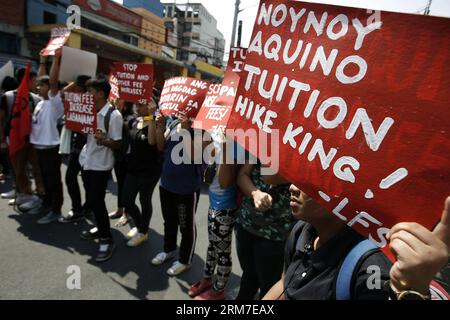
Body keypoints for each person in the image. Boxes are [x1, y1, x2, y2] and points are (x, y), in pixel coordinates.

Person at [263, 186, 450, 300]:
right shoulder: (302, 230)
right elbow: (284, 283)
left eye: (311, 183)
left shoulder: (371, 268)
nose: (293, 187)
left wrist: (411, 288)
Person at [189, 132, 238, 300]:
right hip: (214, 201)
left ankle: (218, 290)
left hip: (225, 206)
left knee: (223, 251)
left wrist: (225, 149)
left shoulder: (238, 141)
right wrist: (206, 138)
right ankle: (207, 279)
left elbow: (225, 182)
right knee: (213, 245)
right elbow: (203, 158)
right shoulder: (216, 132)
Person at [235, 161, 295, 300]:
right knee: (249, 275)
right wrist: (255, 193)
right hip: (246, 224)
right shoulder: (261, 145)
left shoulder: (297, 153)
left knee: (268, 285)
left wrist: (268, 145)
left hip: (274, 235)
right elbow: (242, 175)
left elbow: (270, 176)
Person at [79, 76, 123, 262]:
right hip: (87, 161)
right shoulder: (88, 111)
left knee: (97, 200)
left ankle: (107, 239)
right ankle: (100, 227)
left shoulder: (113, 116)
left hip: (101, 165)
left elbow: (118, 143)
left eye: (90, 91)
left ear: (101, 94)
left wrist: (103, 140)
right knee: (91, 199)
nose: (87, 95)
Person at [151, 111, 201, 276]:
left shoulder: (202, 127)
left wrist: (186, 130)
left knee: (186, 226)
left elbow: (195, 156)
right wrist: (159, 125)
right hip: (166, 183)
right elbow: (160, 146)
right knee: (169, 220)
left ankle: (185, 260)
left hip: (186, 187)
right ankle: (169, 249)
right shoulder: (173, 123)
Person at [29, 52, 65, 224]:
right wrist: (42, 61)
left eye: (42, 86)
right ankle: (45, 204)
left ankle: (56, 210)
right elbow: (42, 78)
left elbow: (51, 81)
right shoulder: (40, 102)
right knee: (43, 179)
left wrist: (56, 59)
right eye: (38, 85)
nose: (38, 88)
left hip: (50, 149)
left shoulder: (54, 102)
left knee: (53, 181)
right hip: (39, 148)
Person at [0, 67, 44, 205]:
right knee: (18, 169)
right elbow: (1, 120)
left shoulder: (36, 99)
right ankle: (23, 193)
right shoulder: (8, 96)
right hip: (14, 139)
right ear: (27, 79)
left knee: (37, 169)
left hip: (33, 140)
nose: (36, 83)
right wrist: (2, 140)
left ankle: (39, 196)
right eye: (34, 80)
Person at [123, 100, 161, 247]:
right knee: (127, 199)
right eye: (136, 105)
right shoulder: (134, 121)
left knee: (145, 200)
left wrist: (151, 117)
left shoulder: (156, 122)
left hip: (149, 170)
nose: (136, 107)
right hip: (133, 168)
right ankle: (139, 226)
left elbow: (152, 142)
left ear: (150, 106)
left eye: (140, 105)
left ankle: (143, 232)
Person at [58, 75, 92, 223]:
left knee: (85, 180)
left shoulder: (91, 104)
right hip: (76, 147)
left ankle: (85, 208)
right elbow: (60, 93)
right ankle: (79, 208)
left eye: (77, 86)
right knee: (71, 177)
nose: (74, 89)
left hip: (88, 149)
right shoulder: (75, 101)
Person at [108, 100, 134, 227]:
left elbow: (130, 128)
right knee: (120, 184)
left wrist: (117, 115)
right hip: (119, 156)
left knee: (127, 187)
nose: (116, 102)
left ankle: (127, 214)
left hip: (130, 158)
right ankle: (120, 209)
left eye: (120, 100)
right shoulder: (114, 114)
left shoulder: (131, 117)